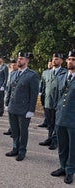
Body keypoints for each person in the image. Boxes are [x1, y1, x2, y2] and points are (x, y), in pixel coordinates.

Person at [5, 52, 39, 161]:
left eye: (21, 59)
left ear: (27, 61)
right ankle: (15, 148)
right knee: (14, 130)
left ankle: (22, 151)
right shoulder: (13, 73)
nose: (19, 60)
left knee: (23, 131)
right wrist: (7, 103)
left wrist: (31, 110)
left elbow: (33, 94)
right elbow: (9, 90)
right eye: (18, 58)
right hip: (12, 107)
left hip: (24, 109)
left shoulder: (32, 75)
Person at [51, 50, 75, 184]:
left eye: (73, 59)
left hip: (73, 119)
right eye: (69, 59)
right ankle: (62, 167)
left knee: (73, 148)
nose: (71, 61)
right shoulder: (62, 76)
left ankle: (70, 171)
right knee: (62, 145)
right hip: (60, 117)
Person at [39, 53, 67, 150]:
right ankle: (49, 138)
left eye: (57, 59)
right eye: (54, 59)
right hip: (48, 102)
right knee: (50, 122)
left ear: (61, 61)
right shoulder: (46, 73)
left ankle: (55, 141)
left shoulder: (65, 73)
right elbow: (43, 87)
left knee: (57, 123)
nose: (55, 61)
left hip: (59, 102)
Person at [3, 59, 18, 136]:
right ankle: (11, 128)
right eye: (12, 65)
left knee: (15, 116)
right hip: (8, 94)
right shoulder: (11, 73)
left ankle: (14, 130)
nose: (13, 66)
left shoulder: (17, 74)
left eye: (14, 65)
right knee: (10, 115)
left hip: (15, 97)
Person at [38, 61, 53, 128]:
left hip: (49, 94)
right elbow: (42, 82)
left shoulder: (53, 73)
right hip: (44, 93)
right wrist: (40, 91)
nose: (49, 65)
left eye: (50, 64)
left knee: (49, 109)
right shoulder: (45, 72)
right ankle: (46, 121)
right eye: (48, 64)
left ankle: (49, 122)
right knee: (45, 108)